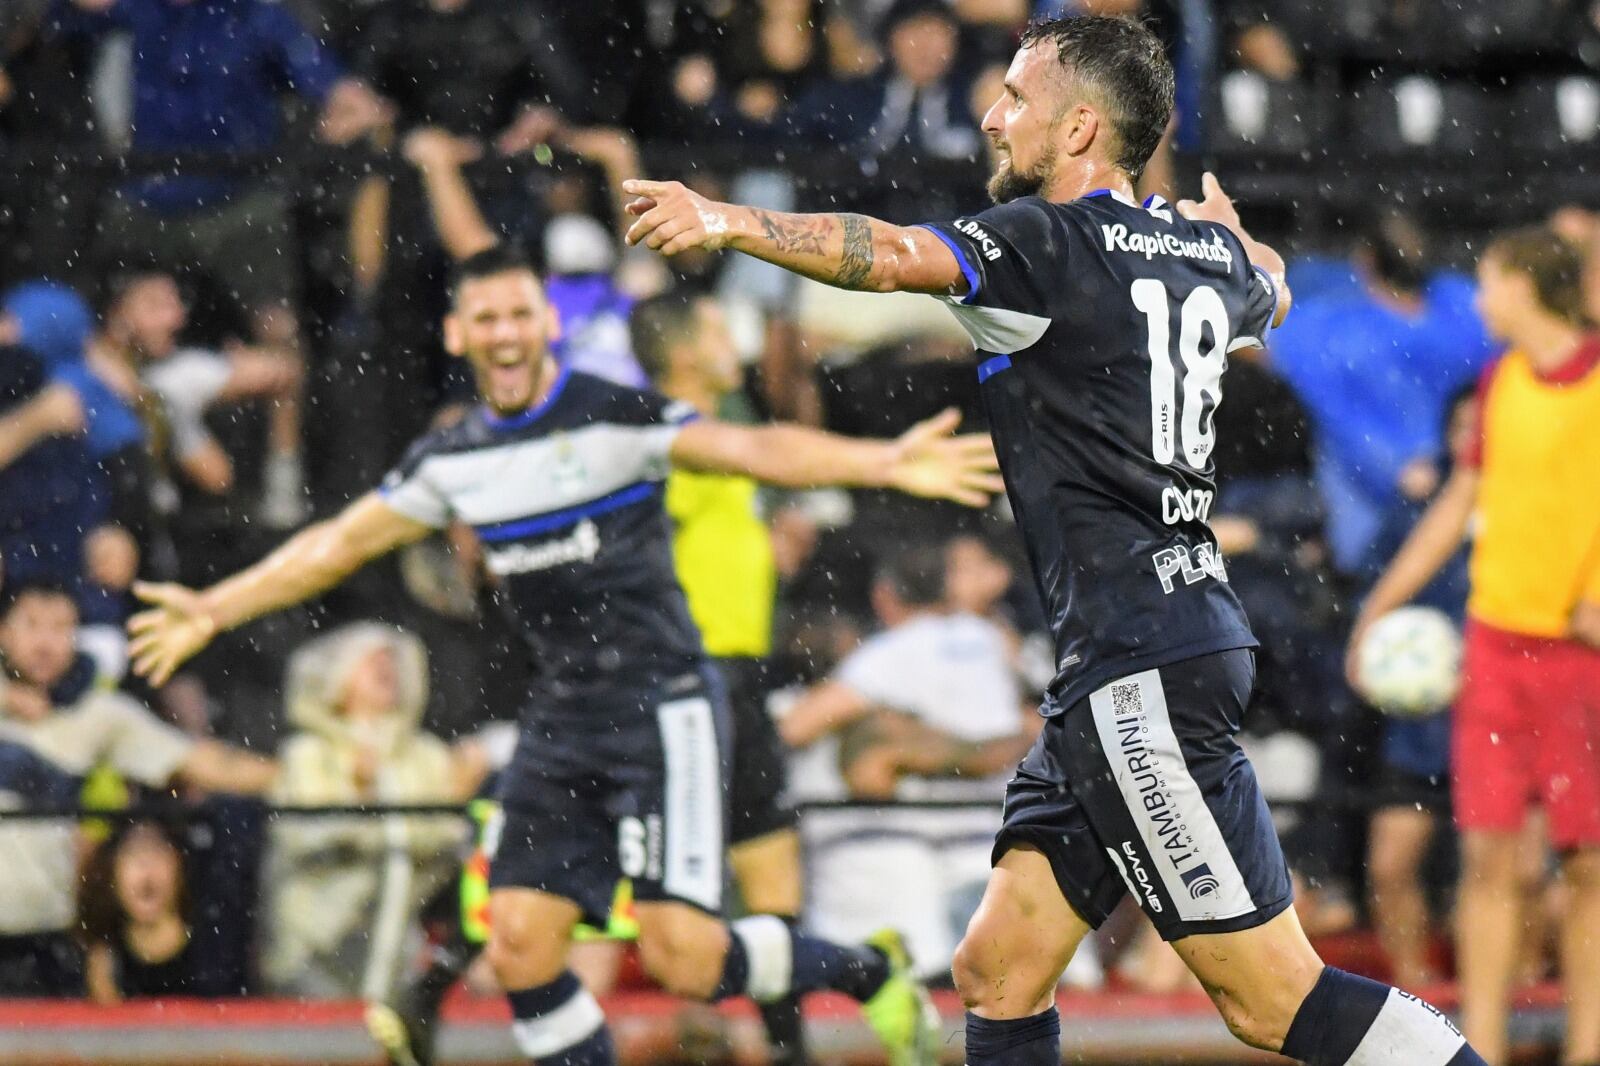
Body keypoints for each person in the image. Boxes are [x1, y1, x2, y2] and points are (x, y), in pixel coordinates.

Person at [621, 14, 1489, 1066]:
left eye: (1015, 101)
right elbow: (1276, 284)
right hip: (1150, 645)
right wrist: (1234, 232)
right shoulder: (1207, 254)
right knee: (998, 966)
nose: (992, 118)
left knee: (1273, 1004)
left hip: (1138, 666)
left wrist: (727, 220)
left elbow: (888, 254)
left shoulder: (1041, 242)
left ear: (1079, 128)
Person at [127, 244, 1002, 1066]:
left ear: (546, 324)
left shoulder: (612, 416)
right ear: (457, 334)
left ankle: (868, 973)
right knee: (516, 945)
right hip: (563, 714)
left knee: (688, 962)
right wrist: (212, 606)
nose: (504, 334)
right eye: (486, 319)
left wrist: (884, 461)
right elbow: (337, 545)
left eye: (518, 315)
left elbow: (749, 448)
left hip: (665, 705)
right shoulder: (455, 459)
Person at [1352, 226, 1600, 1066]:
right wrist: (1380, 606)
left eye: (1489, 282)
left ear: (1527, 287)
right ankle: (1481, 1050)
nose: (1479, 299)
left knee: (1587, 865)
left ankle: (1585, 1048)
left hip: (1579, 661)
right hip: (1496, 651)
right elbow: (1460, 500)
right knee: (1488, 858)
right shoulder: (1499, 382)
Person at [0, 580, 276, 996]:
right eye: (32, 625)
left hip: (48, 939)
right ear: (3, 632)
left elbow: (203, 763)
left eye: (60, 628)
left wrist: (311, 774)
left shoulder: (98, 715)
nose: (45, 643)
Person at [780, 544, 1033, 978]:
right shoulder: (989, 639)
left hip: (932, 852)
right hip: (1000, 842)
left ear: (883, 596)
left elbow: (795, 727)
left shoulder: (893, 651)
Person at [264, 623, 483, 1000]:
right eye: (372, 661)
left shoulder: (425, 755)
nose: (387, 667)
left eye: (392, 661)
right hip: (317, 944)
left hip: (401, 941)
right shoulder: (307, 754)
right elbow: (302, 839)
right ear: (339, 677)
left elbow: (445, 840)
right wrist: (360, 798)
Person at [80, 819, 219, 1003]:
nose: (146, 868)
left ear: (179, 867)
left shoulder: (216, 954)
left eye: (158, 853)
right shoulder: (98, 961)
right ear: (112, 874)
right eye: (134, 855)